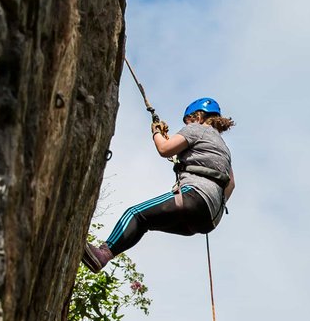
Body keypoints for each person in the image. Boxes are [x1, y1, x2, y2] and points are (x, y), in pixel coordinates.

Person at [82, 97, 235, 271]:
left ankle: (103, 254)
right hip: (208, 220)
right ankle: (104, 255)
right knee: (145, 222)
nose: (188, 124)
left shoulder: (196, 129)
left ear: (198, 117)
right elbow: (231, 184)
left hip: (194, 197)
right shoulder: (224, 149)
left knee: (136, 215)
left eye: (189, 120)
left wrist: (156, 132)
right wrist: (212, 200)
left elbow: (165, 149)